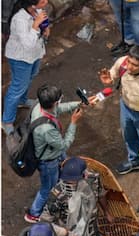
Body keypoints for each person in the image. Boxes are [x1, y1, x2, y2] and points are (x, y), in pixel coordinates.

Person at [95, 45, 139, 181]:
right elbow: (112, 75)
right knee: (129, 136)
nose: (130, 67)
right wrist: (109, 80)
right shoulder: (121, 62)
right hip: (126, 108)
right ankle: (134, 160)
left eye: (135, 65)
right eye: (129, 62)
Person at [24, 84, 85, 223]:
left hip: (50, 151)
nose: (60, 102)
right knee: (47, 188)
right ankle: (34, 213)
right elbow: (63, 145)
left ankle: (59, 185)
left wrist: (78, 104)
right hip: (47, 160)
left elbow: (58, 109)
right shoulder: (46, 129)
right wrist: (73, 122)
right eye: (60, 99)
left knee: (61, 170)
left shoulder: (39, 105)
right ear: (55, 102)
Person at [2, 0, 49, 136]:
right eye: (42, 0)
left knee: (30, 77)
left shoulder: (38, 11)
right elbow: (27, 44)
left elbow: (44, 24)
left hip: (35, 54)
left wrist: (46, 28)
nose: (46, 1)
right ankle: (7, 121)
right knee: (17, 87)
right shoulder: (19, 18)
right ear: (32, 3)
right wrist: (35, 24)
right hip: (21, 58)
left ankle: (22, 100)